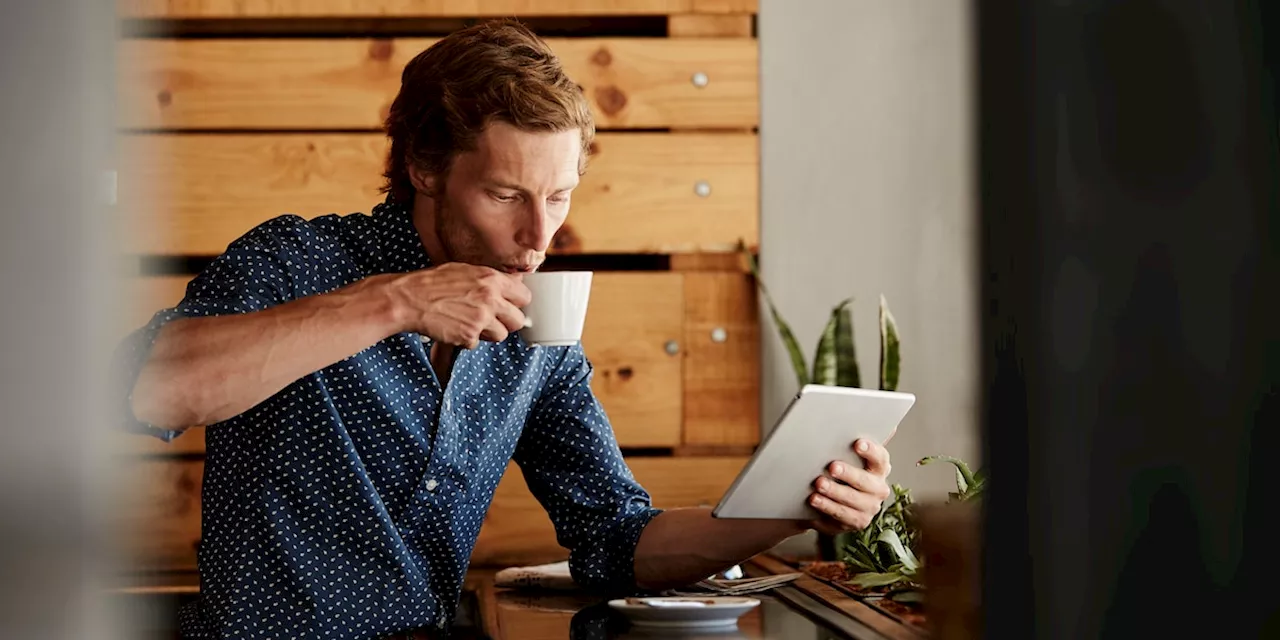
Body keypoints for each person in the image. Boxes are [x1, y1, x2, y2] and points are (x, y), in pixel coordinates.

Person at [115, 19, 893, 640]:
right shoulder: (297, 261)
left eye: (558, 197)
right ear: (424, 165)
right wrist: (395, 303)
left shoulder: (536, 335)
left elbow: (616, 539)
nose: (538, 236)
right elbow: (148, 391)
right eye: (504, 194)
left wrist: (796, 505)